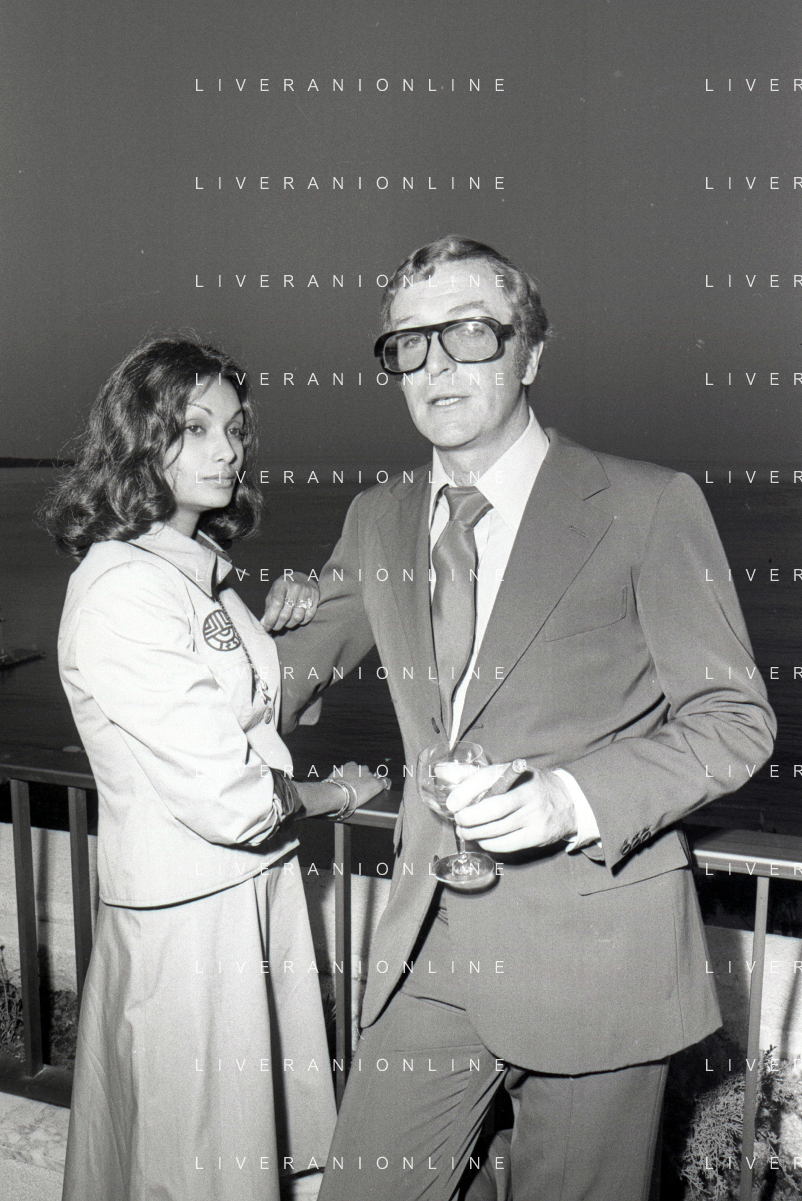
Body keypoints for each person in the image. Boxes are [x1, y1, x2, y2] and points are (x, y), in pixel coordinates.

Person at [275, 236, 776, 1201]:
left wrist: (570, 798)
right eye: (410, 343)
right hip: (427, 949)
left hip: (597, 954)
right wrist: (201, 596)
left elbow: (734, 717)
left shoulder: (648, 504)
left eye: (469, 332)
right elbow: (277, 678)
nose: (436, 365)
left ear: (531, 351)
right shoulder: (377, 519)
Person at [42, 336, 388, 1201]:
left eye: (233, 429)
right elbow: (230, 795)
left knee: (234, 1154)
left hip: (242, 895)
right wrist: (340, 792)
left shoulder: (197, 577)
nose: (226, 449)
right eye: (194, 428)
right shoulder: (125, 588)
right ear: (138, 440)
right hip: (191, 920)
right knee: (194, 1163)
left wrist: (277, 627)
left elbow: (238, 713)